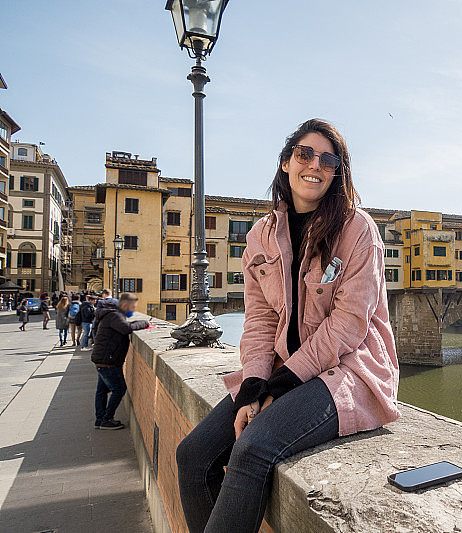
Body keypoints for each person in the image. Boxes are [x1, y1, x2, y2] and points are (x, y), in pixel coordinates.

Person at [175, 119, 400, 532]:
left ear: (337, 173)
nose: (315, 164)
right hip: (283, 371)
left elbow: (349, 325)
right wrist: (253, 387)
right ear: (285, 163)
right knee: (192, 455)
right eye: (304, 154)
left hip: (349, 371)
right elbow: (260, 321)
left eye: (328, 159)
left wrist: (282, 385)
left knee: (251, 450)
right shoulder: (261, 236)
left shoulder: (357, 229)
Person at [90, 292, 150, 430]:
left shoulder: (111, 314)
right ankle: (107, 419)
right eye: (132, 306)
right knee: (119, 389)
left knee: (102, 390)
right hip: (108, 361)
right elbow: (126, 328)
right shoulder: (114, 315)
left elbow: (124, 325)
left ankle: (99, 419)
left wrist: (136, 323)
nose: (134, 309)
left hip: (102, 359)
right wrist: (145, 323)